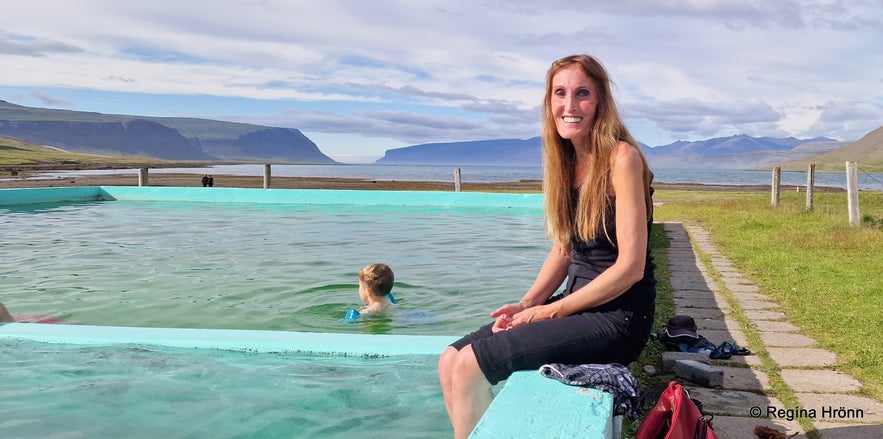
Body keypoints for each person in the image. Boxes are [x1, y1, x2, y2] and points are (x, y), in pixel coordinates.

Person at [437, 54, 657, 438]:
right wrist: (527, 304)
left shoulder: (622, 158)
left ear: (601, 101)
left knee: (471, 365)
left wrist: (552, 311)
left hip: (618, 317)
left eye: (582, 94)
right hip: (576, 307)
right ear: (549, 101)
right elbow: (564, 250)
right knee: (450, 359)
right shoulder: (566, 161)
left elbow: (631, 267)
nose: (569, 106)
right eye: (560, 93)